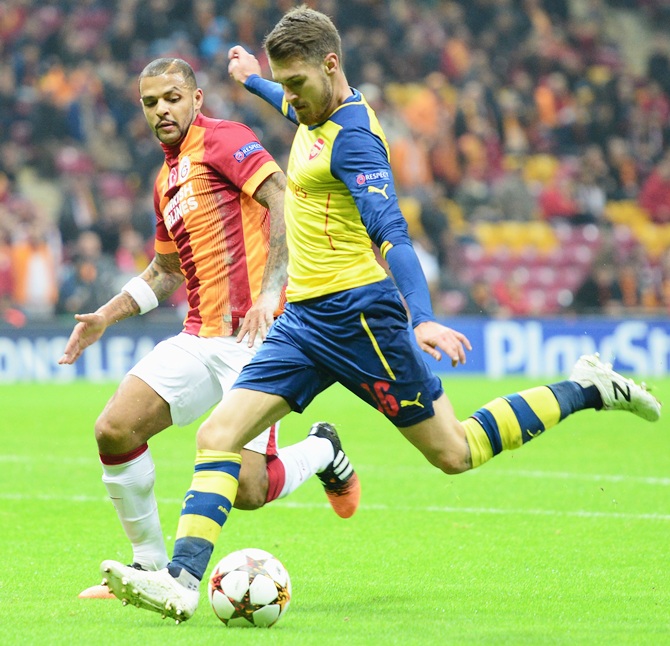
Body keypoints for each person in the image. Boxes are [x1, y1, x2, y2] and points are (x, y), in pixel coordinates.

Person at [100, 7, 661, 623]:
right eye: (283, 87)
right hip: (303, 320)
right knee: (218, 436)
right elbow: (291, 105)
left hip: (360, 317)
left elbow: (392, 231)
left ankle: (584, 387)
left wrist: (420, 317)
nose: (289, 99)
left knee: (456, 451)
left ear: (331, 66)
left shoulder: (356, 140)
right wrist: (251, 79)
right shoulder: (311, 108)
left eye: (296, 85)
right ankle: (180, 579)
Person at [58, 56, 360, 599]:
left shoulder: (224, 140)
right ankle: (149, 570)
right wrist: (106, 314)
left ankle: (323, 450)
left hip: (256, 336)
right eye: (151, 102)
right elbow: (166, 270)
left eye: (172, 97)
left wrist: (271, 292)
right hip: (201, 335)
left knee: (247, 486)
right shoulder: (166, 180)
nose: (162, 110)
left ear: (196, 99)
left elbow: (283, 198)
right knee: (115, 429)